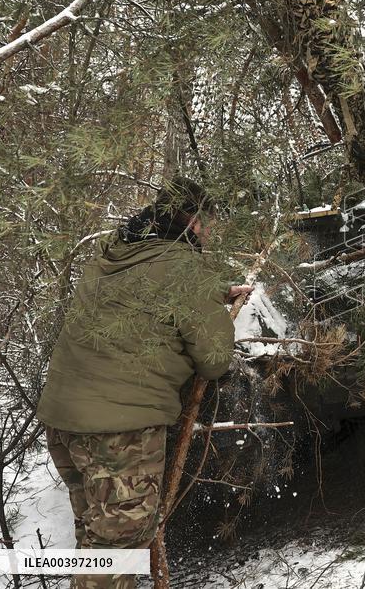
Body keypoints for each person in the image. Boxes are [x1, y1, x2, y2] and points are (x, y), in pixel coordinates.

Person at [36, 177, 250, 589]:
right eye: (208, 223)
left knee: (95, 537)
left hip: (63, 420)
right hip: (117, 432)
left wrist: (212, 293)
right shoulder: (186, 266)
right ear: (192, 220)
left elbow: (142, 297)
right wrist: (211, 305)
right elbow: (214, 361)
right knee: (118, 547)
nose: (210, 232)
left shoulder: (115, 253)